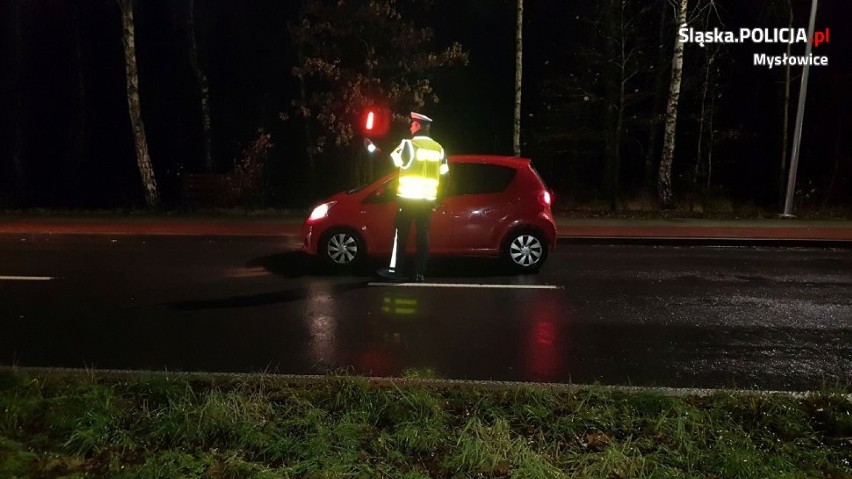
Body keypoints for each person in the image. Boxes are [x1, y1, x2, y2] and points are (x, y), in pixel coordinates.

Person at [377, 112, 448, 283]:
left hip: (408, 199)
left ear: (417, 126)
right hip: (427, 200)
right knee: (423, 237)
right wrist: (438, 199)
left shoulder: (408, 145)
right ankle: (419, 273)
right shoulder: (439, 148)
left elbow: (392, 160)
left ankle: (395, 271)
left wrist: (377, 149)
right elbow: (445, 176)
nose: (410, 127)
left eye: (412, 124)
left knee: (401, 235)